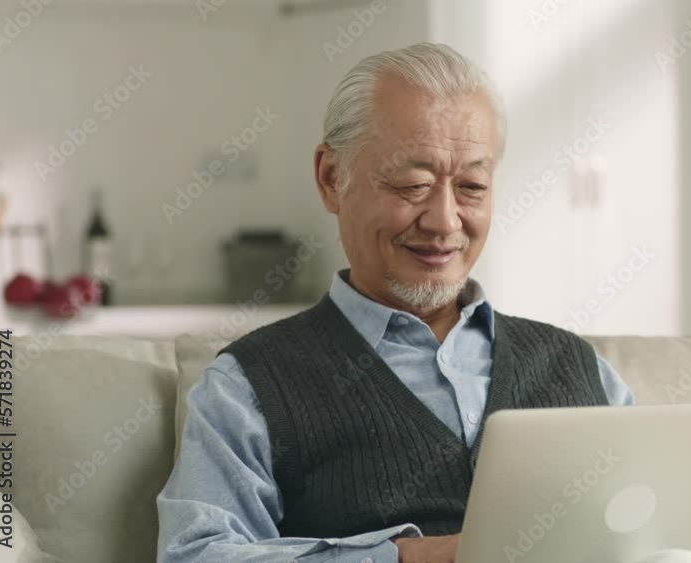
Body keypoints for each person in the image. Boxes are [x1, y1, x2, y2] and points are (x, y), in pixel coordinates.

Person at [156, 42, 634, 563]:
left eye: (472, 186)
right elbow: (195, 555)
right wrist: (405, 558)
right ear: (331, 179)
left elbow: (658, 527)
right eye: (414, 184)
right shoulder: (248, 386)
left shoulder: (586, 373)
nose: (445, 221)